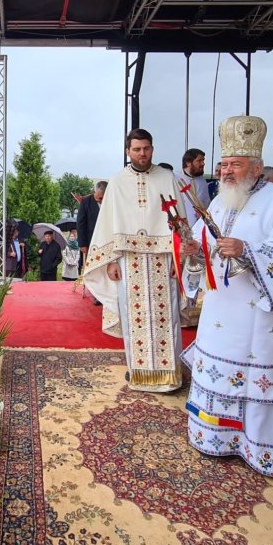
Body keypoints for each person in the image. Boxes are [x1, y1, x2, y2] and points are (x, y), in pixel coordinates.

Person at [180, 115, 273, 479]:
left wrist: (248, 250)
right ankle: (214, 437)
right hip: (219, 310)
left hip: (258, 313)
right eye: (223, 164)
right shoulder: (220, 202)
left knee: (253, 377)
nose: (226, 171)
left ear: (256, 167)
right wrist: (193, 249)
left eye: (235, 165)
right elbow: (203, 243)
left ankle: (259, 447)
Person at [81, 129, 183, 392]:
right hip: (129, 260)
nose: (142, 154)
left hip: (163, 260)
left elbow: (179, 220)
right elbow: (108, 224)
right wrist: (111, 261)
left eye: (146, 148)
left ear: (152, 149)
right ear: (128, 151)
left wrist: (179, 259)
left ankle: (169, 375)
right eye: (136, 149)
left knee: (167, 316)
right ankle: (139, 371)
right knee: (133, 317)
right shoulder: (117, 182)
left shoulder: (167, 178)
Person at [175, 147, 211, 221]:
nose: (203, 163)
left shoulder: (202, 181)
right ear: (188, 163)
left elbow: (207, 203)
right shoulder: (175, 179)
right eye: (199, 161)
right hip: (182, 223)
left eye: (203, 160)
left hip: (200, 223)